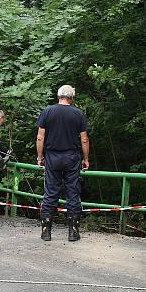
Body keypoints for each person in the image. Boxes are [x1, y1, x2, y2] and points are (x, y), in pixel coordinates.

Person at [36, 85, 90, 242]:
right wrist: (85, 159)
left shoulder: (47, 112)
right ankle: (73, 232)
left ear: (58, 96)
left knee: (50, 193)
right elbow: (84, 139)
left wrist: (40, 156)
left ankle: (46, 232)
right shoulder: (79, 114)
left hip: (52, 157)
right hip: (72, 157)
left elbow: (40, 137)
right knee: (72, 193)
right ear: (72, 97)